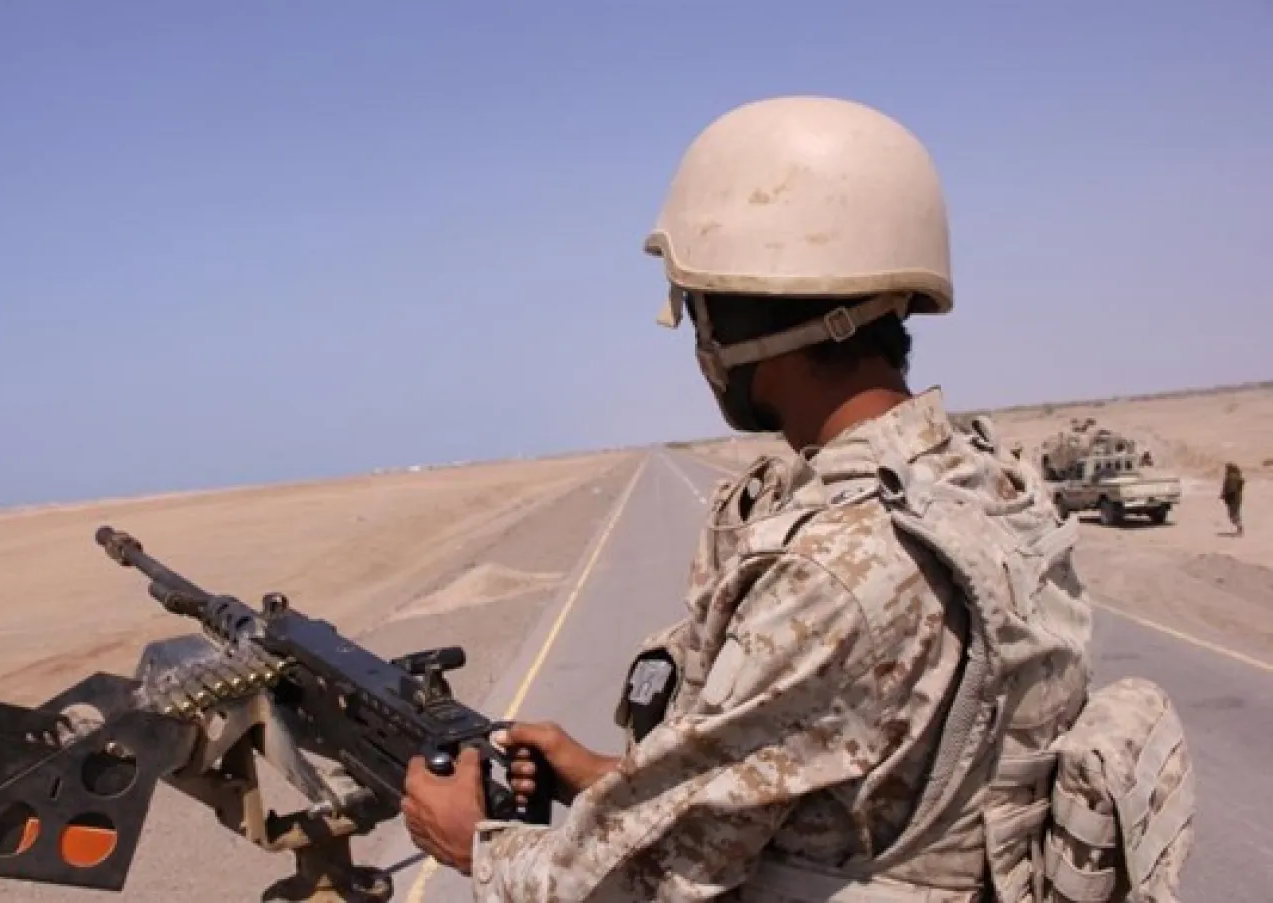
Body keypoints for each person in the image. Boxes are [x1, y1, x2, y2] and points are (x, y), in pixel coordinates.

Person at [400, 96, 1105, 901]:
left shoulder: (834, 568)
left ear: (741, 318)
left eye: (699, 311)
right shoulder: (989, 485)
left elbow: (648, 885)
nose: (699, 344)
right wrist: (607, 778)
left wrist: (477, 846)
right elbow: (873, 782)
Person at [1222, 461, 1245, 536]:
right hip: (1236, 498)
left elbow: (1231, 488)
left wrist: (1225, 495)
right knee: (1235, 514)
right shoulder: (1236, 476)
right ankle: (1239, 529)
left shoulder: (1232, 477)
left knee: (1233, 514)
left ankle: (1240, 528)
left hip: (1233, 499)